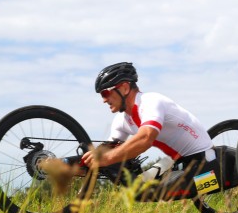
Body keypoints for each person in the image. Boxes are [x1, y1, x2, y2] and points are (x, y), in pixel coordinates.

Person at [82, 62, 218, 200]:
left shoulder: (151, 101)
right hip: (176, 162)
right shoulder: (121, 120)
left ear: (124, 88)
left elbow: (146, 138)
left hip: (204, 159)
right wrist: (83, 162)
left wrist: (106, 158)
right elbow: (110, 148)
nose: (104, 100)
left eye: (105, 93)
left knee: (158, 193)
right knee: (138, 192)